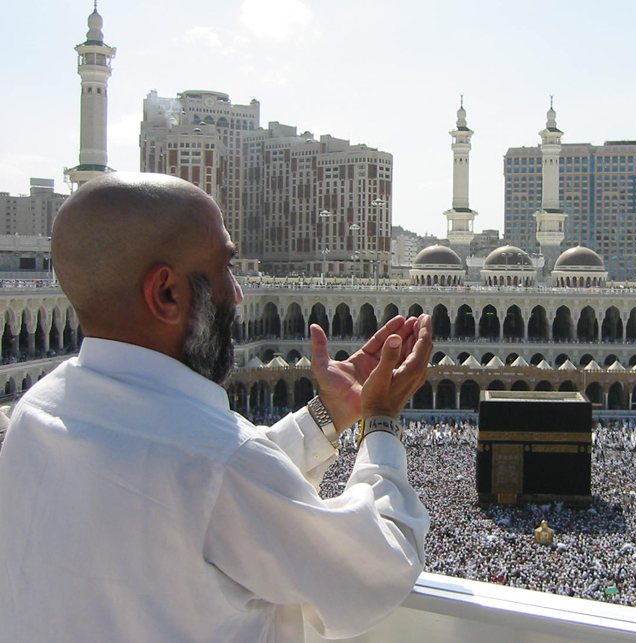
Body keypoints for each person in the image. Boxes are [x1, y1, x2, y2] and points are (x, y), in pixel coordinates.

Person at [0, 173, 433, 642]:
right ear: (166, 293)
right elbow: (375, 572)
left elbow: (189, 494)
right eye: (225, 268)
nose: (239, 293)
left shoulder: (35, 413)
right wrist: (381, 421)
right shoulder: (218, 465)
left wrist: (327, 415)